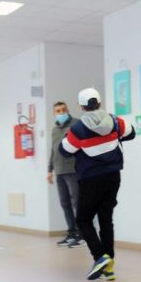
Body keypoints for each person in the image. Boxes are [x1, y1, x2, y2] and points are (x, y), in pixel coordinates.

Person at [60, 88, 135, 281]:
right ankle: (109, 267)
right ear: (99, 103)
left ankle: (100, 256)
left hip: (91, 179)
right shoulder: (115, 121)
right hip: (113, 176)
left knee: (83, 219)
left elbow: (65, 150)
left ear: (82, 106)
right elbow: (131, 133)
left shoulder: (77, 129)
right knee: (105, 219)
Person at [48, 101, 83, 247]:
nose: (61, 113)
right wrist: (49, 170)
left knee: (77, 202)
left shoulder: (76, 124)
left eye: (63, 110)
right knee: (65, 203)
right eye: (58, 111)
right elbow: (53, 150)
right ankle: (72, 233)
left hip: (74, 169)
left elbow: (83, 145)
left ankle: (83, 234)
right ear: (54, 113)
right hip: (59, 171)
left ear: (68, 110)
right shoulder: (55, 130)